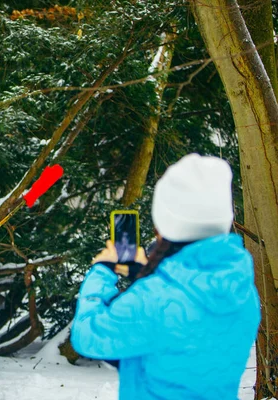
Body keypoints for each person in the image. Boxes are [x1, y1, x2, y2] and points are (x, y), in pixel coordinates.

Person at [70, 154, 260, 399]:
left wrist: (102, 270)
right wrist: (147, 277)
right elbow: (176, 345)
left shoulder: (155, 298)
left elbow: (88, 335)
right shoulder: (243, 291)